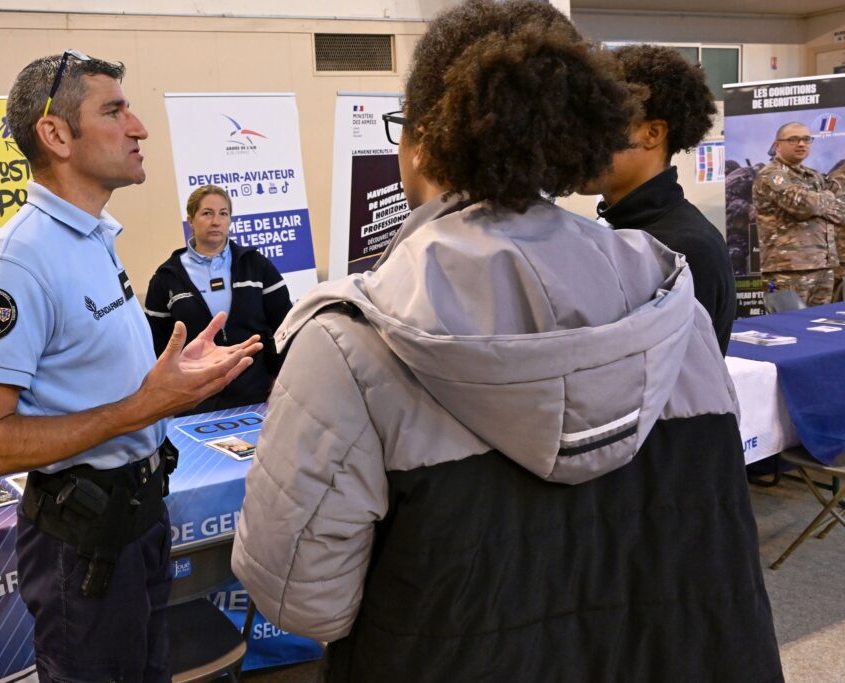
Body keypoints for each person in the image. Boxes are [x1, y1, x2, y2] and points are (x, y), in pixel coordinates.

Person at [232, 2, 782, 680]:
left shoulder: (350, 342)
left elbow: (303, 603)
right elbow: (708, 529)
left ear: (422, 140)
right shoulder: (673, 300)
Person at [0, 51, 260, 682]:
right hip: (84, 542)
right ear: (56, 134)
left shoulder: (94, 237)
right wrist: (143, 407)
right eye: (115, 111)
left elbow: (88, 376)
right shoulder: (18, 262)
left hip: (140, 515)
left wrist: (167, 378)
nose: (138, 128)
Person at [582, 45, 736, 354]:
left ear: (652, 133)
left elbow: (680, 370)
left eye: (600, 126)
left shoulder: (682, 247)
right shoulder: (615, 227)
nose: (577, 144)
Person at [145, 184, 291, 411]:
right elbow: (155, 345)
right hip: (194, 403)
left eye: (223, 213)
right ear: (190, 220)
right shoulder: (167, 277)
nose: (216, 221)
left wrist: (280, 377)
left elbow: (286, 327)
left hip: (257, 395)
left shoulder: (256, 265)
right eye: (207, 213)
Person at [753, 121, 845, 306]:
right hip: (787, 269)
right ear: (777, 145)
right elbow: (804, 206)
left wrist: (818, 203)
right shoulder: (771, 175)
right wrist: (825, 199)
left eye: (806, 139)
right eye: (793, 139)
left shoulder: (815, 176)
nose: (801, 144)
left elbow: (841, 211)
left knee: (821, 322)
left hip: (824, 266)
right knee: (791, 322)